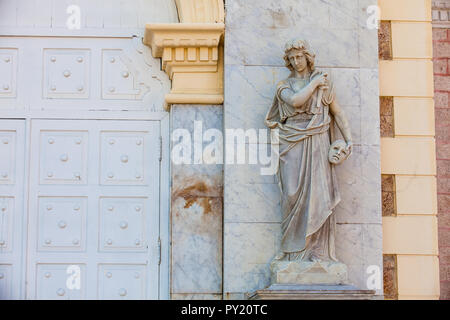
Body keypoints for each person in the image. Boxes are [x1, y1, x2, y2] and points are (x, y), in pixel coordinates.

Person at [265, 39, 353, 262]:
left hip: (317, 140)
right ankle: (290, 250)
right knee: (291, 195)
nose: (296, 62)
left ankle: (315, 252)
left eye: (299, 57)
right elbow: (295, 101)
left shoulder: (324, 85)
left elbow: (338, 113)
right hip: (291, 142)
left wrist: (349, 140)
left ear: (307, 57)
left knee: (318, 196)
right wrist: (314, 84)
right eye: (292, 58)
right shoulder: (284, 86)